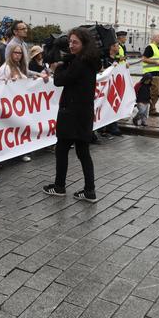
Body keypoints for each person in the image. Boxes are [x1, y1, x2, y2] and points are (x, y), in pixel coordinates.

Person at [42, 27, 101, 203]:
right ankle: (89, 190)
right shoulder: (89, 60)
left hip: (71, 113)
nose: (71, 45)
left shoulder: (80, 63)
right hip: (83, 113)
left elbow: (60, 80)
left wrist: (57, 67)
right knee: (83, 152)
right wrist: (65, 61)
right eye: (70, 42)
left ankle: (59, 186)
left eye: (75, 42)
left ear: (84, 43)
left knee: (62, 149)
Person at [141, 32, 159, 117]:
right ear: (154, 38)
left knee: (157, 92)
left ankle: (152, 109)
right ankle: (150, 109)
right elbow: (143, 59)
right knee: (153, 92)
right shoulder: (150, 47)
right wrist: (155, 62)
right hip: (151, 74)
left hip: (158, 73)